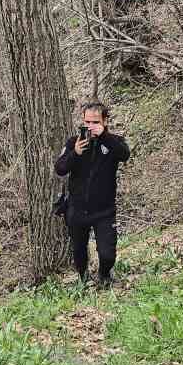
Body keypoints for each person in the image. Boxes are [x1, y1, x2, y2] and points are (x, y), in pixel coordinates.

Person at [53, 101, 130, 289]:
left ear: (105, 121)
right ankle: (83, 277)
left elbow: (124, 154)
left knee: (107, 254)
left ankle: (104, 275)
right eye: (87, 122)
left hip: (104, 210)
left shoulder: (114, 142)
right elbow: (60, 168)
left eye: (95, 122)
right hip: (77, 210)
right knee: (79, 251)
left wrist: (103, 136)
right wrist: (75, 153)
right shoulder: (74, 143)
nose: (90, 126)